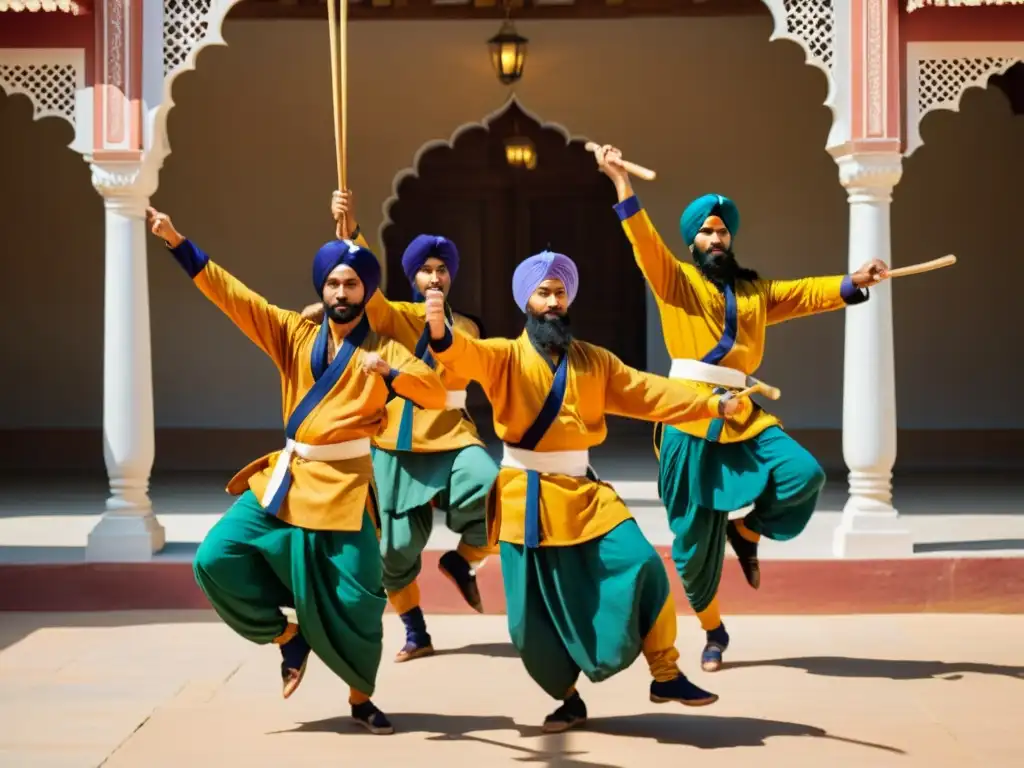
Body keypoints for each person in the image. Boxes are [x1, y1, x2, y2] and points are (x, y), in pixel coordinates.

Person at [146, 206, 452, 735]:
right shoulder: (291, 332)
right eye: (332, 283)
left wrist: (393, 373)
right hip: (288, 477)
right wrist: (177, 241)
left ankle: (360, 699)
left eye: (351, 284)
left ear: (365, 292)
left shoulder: (385, 347)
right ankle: (287, 638)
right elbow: (233, 296)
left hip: (346, 486)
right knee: (216, 558)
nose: (340, 293)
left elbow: (436, 393)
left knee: (359, 601)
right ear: (322, 286)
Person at [423, 249, 750, 733]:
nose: (553, 301)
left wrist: (713, 403)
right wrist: (439, 332)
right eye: (543, 293)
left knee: (640, 561)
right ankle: (568, 699)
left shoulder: (594, 360)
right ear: (526, 302)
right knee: (529, 621)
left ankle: (665, 673)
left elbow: (647, 391)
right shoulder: (504, 355)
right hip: (524, 495)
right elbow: (462, 354)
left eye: (560, 292)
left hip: (583, 491)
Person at [594, 144, 891, 673]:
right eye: (706, 232)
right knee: (691, 542)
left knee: (804, 474)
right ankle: (713, 630)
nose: (715, 239)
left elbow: (803, 293)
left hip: (745, 412)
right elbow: (644, 242)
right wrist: (621, 183)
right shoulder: (674, 281)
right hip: (687, 414)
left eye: (722, 232)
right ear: (692, 241)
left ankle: (748, 532)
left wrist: (855, 281)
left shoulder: (755, 290)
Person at [301, 191, 500, 662]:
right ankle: (416, 632)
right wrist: (350, 231)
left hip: (452, 435)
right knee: (395, 550)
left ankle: (462, 560)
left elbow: (465, 357)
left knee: (496, 494)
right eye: (426, 269)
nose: (435, 276)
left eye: (442, 269)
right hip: (396, 440)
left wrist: (440, 328)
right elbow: (367, 291)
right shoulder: (393, 320)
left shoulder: (468, 325)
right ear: (413, 276)